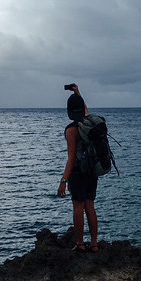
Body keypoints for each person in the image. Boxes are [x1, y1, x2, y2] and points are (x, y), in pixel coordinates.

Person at [57, 84, 99, 252]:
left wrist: (63, 181)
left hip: (77, 173)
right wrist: (78, 93)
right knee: (90, 206)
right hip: (92, 171)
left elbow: (71, 158)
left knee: (78, 207)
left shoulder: (71, 131)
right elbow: (85, 110)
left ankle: (80, 243)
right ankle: (94, 244)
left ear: (69, 112)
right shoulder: (89, 123)